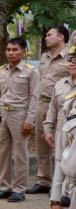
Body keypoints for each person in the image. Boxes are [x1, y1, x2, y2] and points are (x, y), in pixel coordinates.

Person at [0, 37, 39, 203]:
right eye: (8, 50)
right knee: (3, 152)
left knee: (21, 153)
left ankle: (19, 189)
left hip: (20, 115)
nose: (11, 53)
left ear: (24, 52)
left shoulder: (31, 71)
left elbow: (34, 97)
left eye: (15, 50)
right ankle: (5, 187)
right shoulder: (2, 70)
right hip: (3, 114)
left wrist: (29, 120)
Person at [28, 26, 70, 195]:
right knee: (42, 142)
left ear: (61, 37)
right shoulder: (44, 57)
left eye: (50, 35)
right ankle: (44, 180)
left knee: (64, 142)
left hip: (62, 105)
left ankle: (65, 182)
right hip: (42, 103)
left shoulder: (70, 57)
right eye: (46, 35)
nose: (46, 38)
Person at [43, 53, 76, 207]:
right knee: (59, 164)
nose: (71, 64)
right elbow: (52, 109)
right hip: (61, 131)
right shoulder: (60, 84)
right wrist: (48, 129)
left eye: (75, 61)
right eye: (69, 60)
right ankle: (58, 201)